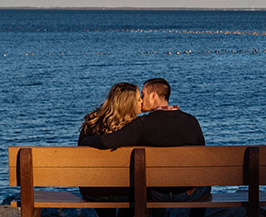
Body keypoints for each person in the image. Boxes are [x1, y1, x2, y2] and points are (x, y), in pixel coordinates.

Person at [80, 78, 208, 217]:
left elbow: (107, 142)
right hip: (185, 192)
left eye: (143, 95)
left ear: (152, 96)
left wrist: (86, 141)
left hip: (100, 190)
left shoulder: (141, 125)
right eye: (139, 97)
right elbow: (201, 155)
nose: (141, 100)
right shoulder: (191, 121)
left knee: (143, 186)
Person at [77, 82, 144, 217]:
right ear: (128, 104)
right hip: (125, 191)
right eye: (138, 99)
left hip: (93, 190)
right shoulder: (135, 128)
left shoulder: (91, 123)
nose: (142, 101)